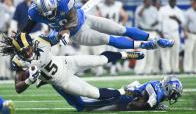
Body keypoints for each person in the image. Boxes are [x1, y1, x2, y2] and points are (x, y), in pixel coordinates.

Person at [0, 32, 145, 101]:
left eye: (28, 48)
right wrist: (29, 81)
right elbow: (18, 89)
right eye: (23, 52)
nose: (27, 53)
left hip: (67, 63)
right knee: (96, 94)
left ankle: (126, 55)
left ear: (32, 44)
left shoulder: (41, 41)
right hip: (63, 82)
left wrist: (64, 36)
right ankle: (125, 91)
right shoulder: (18, 61)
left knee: (99, 60)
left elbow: (60, 33)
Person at [21, 0, 174, 50]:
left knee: (120, 29)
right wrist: (20, 39)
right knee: (109, 39)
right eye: (46, 13)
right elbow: (26, 28)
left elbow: (73, 18)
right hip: (78, 34)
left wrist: (65, 30)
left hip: (84, 18)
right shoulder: (34, 12)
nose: (50, 15)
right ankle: (145, 45)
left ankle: (156, 39)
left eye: (52, 11)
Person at [46, 75, 183, 111]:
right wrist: (153, 107)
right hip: (121, 98)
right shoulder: (157, 92)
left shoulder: (157, 86)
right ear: (167, 88)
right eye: (174, 93)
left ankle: (59, 79)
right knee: (82, 104)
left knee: (86, 96)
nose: (174, 96)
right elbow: (140, 106)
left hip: (124, 95)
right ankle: (56, 81)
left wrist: (154, 106)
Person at [158, 0, 185, 74]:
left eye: (174, 1)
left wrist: (175, 18)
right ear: (169, 1)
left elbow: (182, 23)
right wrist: (161, 33)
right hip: (165, 34)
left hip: (175, 33)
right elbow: (159, 22)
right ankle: (167, 69)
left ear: (176, 2)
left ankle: (175, 69)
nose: (173, 2)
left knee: (175, 51)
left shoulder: (178, 10)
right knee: (165, 52)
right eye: (172, 0)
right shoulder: (163, 9)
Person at [135, 0, 160, 75]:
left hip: (152, 32)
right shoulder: (140, 8)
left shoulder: (154, 9)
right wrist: (144, 7)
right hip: (143, 32)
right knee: (142, 52)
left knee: (151, 53)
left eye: (150, 1)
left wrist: (153, 24)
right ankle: (139, 70)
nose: (149, 2)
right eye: (147, 0)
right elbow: (139, 15)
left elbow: (157, 20)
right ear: (144, 1)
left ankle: (148, 70)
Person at [183, 0, 196, 74]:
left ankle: (195, 69)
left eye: (194, 2)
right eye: (192, 2)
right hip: (190, 34)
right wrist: (185, 32)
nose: (193, 3)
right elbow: (185, 24)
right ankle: (187, 69)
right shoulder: (188, 12)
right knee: (188, 52)